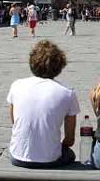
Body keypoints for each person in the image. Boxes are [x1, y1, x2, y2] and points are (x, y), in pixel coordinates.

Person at [7, 41, 79, 169]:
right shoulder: (67, 93)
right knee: (69, 154)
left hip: (17, 156)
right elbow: (69, 140)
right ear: (60, 66)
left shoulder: (16, 85)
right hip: (49, 159)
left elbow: (14, 121)